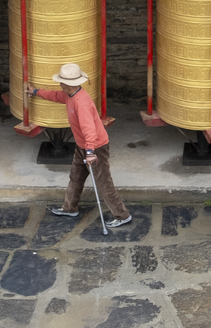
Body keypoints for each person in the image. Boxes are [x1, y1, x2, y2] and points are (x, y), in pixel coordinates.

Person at [25, 62, 131, 228]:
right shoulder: (69, 95)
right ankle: (69, 208)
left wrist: (90, 152)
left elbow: (89, 131)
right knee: (75, 176)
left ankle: (122, 215)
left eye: (61, 82)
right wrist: (36, 91)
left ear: (68, 84)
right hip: (83, 147)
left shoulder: (81, 103)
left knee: (103, 182)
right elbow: (54, 95)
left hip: (95, 148)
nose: (60, 84)